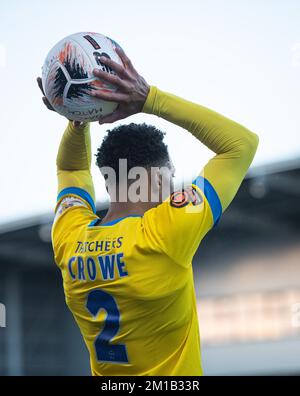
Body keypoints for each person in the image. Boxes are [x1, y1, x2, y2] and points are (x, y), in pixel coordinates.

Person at [37, 46, 259, 376]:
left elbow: (70, 170)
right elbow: (242, 143)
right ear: (156, 177)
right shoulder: (163, 234)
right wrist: (148, 99)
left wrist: (77, 117)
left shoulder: (70, 237)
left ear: (110, 179)